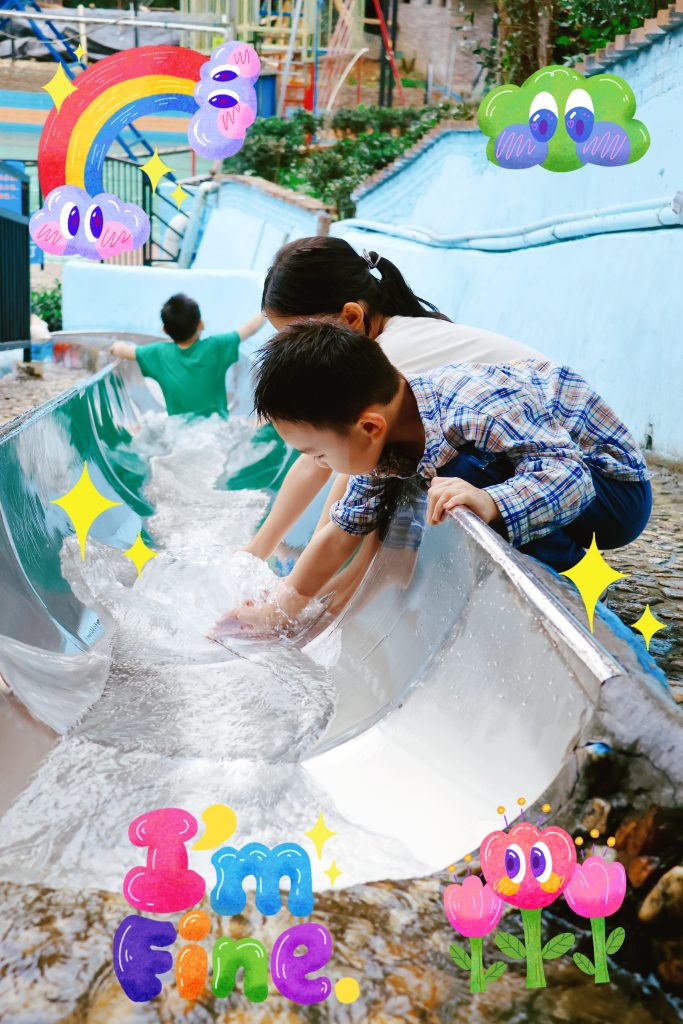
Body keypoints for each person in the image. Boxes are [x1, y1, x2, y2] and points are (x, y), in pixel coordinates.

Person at [215, 320, 651, 634]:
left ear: (369, 427)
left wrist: (492, 501)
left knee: (463, 475)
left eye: (319, 454)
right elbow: (342, 530)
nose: (322, 465)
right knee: (455, 477)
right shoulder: (386, 436)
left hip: (612, 489)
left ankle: (572, 581)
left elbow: (572, 478)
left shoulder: (470, 408)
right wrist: (283, 605)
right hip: (556, 477)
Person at [242, 236, 543, 560]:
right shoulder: (391, 340)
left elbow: (342, 470)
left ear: (351, 318)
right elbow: (319, 458)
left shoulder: (390, 356)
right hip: (519, 451)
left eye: (302, 336)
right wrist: (257, 550)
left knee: (365, 459)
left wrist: (298, 557)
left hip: (552, 459)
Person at [110, 293, 264, 418]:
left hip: (179, 430)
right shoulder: (217, 346)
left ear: (165, 330)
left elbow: (122, 350)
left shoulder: (157, 353)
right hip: (216, 426)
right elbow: (251, 328)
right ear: (201, 324)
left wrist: (115, 347)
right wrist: (267, 309)